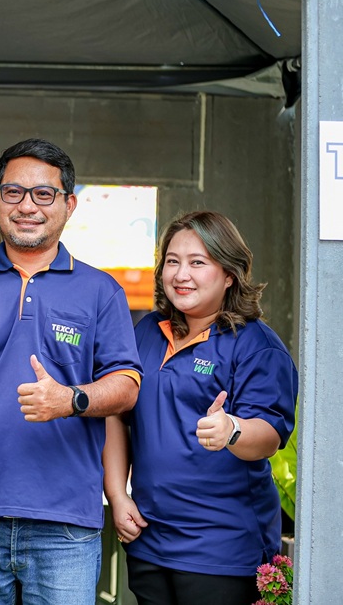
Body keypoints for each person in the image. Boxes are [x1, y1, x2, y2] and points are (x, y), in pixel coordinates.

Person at [0, 138, 143, 604]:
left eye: (44, 194)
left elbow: (126, 387)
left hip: (66, 524)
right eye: (13, 192)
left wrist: (72, 399)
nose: (27, 206)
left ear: (69, 205)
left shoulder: (101, 291)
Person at [103, 211, 298, 605]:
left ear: (229, 274)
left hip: (222, 549)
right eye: (172, 261)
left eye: (197, 262)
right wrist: (118, 495)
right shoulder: (147, 331)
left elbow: (269, 436)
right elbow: (117, 416)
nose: (181, 274)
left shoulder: (256, 346)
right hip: (149, 539)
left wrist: (232, 430)